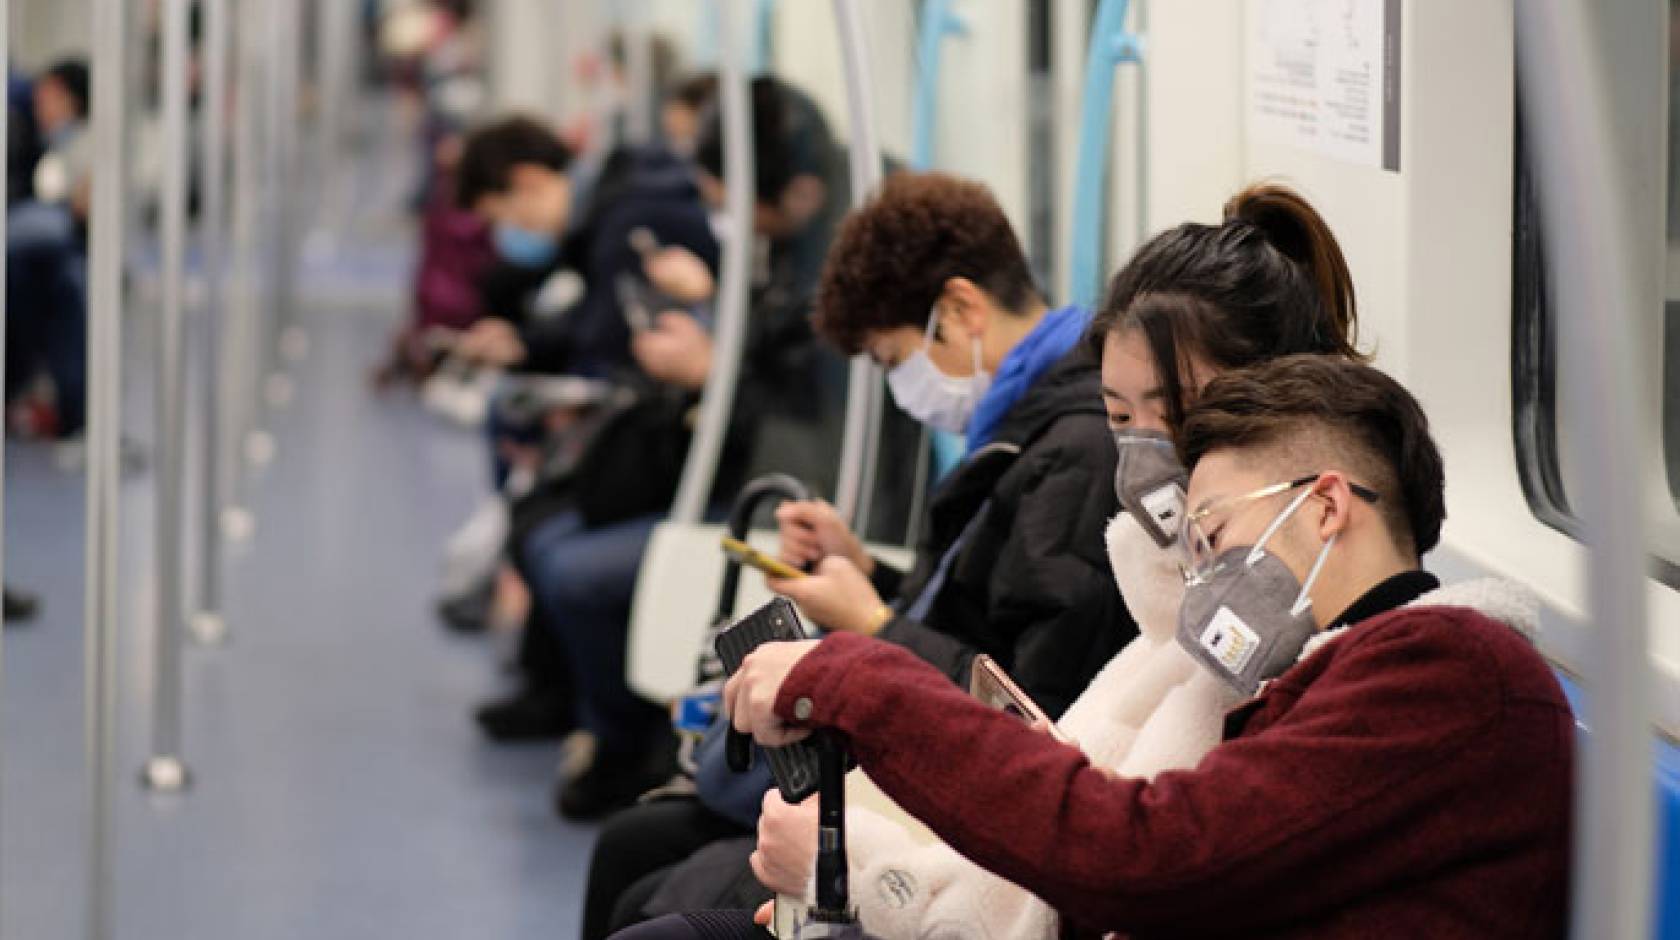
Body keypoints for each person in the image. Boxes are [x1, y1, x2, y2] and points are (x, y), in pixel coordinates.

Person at [720, 354, 1573, 939]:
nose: (1207, 575)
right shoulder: (1318, 681)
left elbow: (1146, 857)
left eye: (1216, 531)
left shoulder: (1450, 671)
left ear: (1324, 505)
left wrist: (858, 678)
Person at [752, 182, 1375, 938]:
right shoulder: (1166, 633)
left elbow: (1112, 859)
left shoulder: (1344, 663)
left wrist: (863, 872)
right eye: (1119, 418)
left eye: (1173, 412)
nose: (1142, 453)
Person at [583, 170, 1132, 935]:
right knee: (639, 847)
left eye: (890, 356)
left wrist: (874, 624)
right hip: (920, 760)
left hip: (958, 813)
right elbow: (991, 606)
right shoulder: (1027, 429)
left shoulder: (1072, 457)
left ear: (962, 310)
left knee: (645, 883)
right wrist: (873, 574)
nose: (899, 384)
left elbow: (1032, 707)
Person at [7, 59, 91, 442]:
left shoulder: (84, 146)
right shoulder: (46, 147)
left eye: (49, 99)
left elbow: (83, 208)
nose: (41, 108)